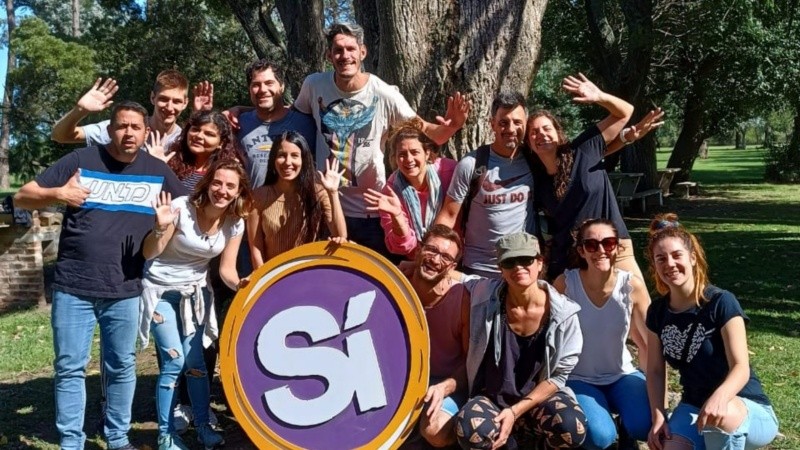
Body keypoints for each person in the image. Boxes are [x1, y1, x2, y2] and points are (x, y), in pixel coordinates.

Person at [14, 101, 186, 450]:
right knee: (70, 368)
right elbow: (22, 196)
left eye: (135, 127)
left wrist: (162, 230)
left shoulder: (158, 172)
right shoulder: (82, 161)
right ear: (110, 129)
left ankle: (118, 438)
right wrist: (58, 193)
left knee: (122, 366)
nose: (128, 133)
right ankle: (71, 442)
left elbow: (180, 219)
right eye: (121, 126)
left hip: (125, 287)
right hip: (73, 287)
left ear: (144, 131)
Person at [293, 22, 469, 258]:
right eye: (338, 50)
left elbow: (426, 131)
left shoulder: (383, 93)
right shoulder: (314, 85)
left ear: (362, 52)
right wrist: (243, 111)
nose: (345, 56)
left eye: (351, 49)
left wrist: (454, 125)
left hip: (372, 211)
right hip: (327, 205)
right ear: (329, 55)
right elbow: (292, 119)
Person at [140, 159, 252, 450]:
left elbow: (227, 270)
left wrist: (242, 285)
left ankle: (203, 426)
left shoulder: (234, 222)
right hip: (161, 291)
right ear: (208, 183)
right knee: (174, 361)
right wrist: (159, 228)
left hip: (197, 294)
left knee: (197, 363)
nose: (222, 190)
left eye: (230, 186)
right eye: (218, 182)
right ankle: (166, 434)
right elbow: (150, 252)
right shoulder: (180, 207)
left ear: (239, 191)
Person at [644, 213, 779, 450]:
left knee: (719, 417)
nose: (670, 264)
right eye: (661, 259)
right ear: (654, 265)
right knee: (670, 446)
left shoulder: (721, 302)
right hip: (694, 407)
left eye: (677, 256)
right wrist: (659, 416)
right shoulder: (657, 311)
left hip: (743, 407)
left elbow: (741, 366)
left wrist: (720, 397)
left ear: (693, 258)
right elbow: (655, 370)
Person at [525, 73, 663, 282]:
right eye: (533, 132)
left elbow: (625, 112)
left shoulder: (584, 149)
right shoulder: (538, 180)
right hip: (570, 259)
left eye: (546, 128)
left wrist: (599, 96)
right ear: (528, 143)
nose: (541, 134)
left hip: (613, 246)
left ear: (558, 132)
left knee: (636, 305)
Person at [455, 232, 587, 449]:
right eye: (509, 261)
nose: (518, 267)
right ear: (500, 268)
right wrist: (412, 267)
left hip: (537, 400)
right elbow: (456, 277)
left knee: (571, 426)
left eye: (526, 260)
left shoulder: (565, 314)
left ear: (539, 262)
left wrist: (515, 412)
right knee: (471, 429)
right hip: (491, 398)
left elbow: (558, 377)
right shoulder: (486, 294)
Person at [553, 218, 651, 450]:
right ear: (581, 250)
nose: (601, 250)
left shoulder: (631, 286)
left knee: (644, 424)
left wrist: (659, 397)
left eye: (608, 243)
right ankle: (609, 425)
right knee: (600, 437)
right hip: (580, 377)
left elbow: (650, 343)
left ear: (617, 247)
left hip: (622, 374)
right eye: (591, 245)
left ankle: (627, 431)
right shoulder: (566, 284)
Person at [435, 92, 534, 278]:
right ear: (492, 124)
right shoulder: (471, 164)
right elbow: (449, 214)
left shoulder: (534, 162)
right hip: (479, 268)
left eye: (517, 122)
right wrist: (432, 252)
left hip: (523, 267)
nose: (511, 129)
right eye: (503, 122)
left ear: (526, 124)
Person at [403, 224, 469, 447]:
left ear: (452, 266)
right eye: (431, 250)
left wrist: (445, 387)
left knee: (433, 430)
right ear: (418, 250)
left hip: (445, 382)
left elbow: (470, 364)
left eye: (444, 256)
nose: (435, 259)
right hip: (402, 379)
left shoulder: (461, 300)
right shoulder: (396, 283)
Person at [247, 131, 346, 267]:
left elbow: (340, 236)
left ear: (303, 160)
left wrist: (333, 192)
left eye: (295, 156)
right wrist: (264, 282)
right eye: (282, 155)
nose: (288, 162)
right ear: (273, 160)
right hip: (273, 275)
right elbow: (256, 248)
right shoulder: (258, 196)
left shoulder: (318, 193)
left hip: (309, 273)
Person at [363, 119, 457, 259]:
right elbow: (401, 247)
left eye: (414, 152)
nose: (409, 159)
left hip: (453, 255)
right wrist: (397, 217)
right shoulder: (391, 192)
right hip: (418, 261)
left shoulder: (450, 172)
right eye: (402, 154)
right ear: (394, 158)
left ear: (427, 153)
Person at [51, 70, 206, 151]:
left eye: (177, 101)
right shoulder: (124, 129)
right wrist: (80, 110)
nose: (169, 107)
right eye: (164, 99)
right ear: (153, 98)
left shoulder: (185, 140)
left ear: (185, 103)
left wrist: (200, 117)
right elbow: (60, 136)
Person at [235, 59, 317, 189]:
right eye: (256, 85)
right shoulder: (238, 124)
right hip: (253, 206)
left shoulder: (306, 124)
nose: (262, 90)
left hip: (297, 206)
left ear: (282, 86)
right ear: (249, 89)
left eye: (269, 83)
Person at [154, 110, 241, 191]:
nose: (199, 136)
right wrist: (156, 166)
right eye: (195, 129)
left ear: (221, 143)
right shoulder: (170, 163)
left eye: (209, 134)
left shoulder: (226, 173)